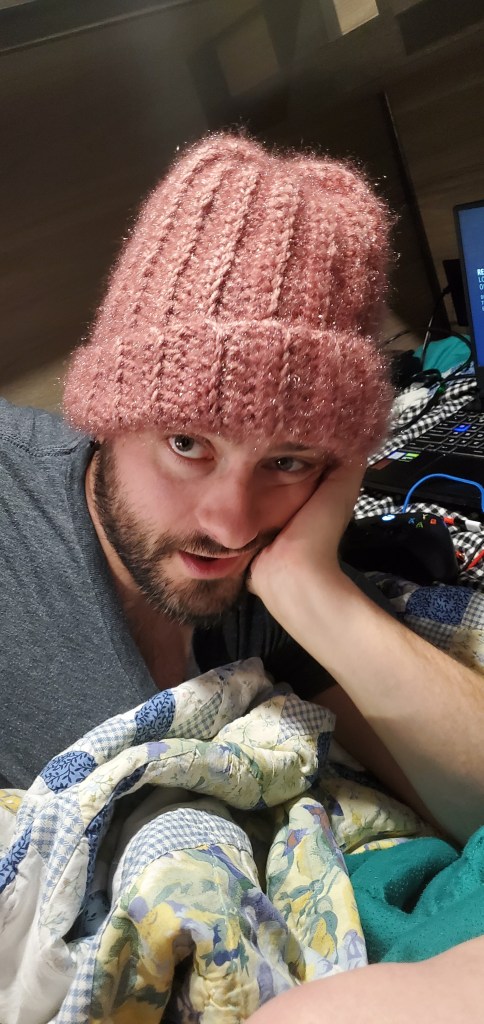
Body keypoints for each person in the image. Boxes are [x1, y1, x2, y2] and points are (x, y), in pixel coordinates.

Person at [1, 133, 483, 1014]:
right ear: (111, 412)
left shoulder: (276, 581)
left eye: (290, 460)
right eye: (187, 444)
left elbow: (476, 805)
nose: (229, 520)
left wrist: (312, 589)